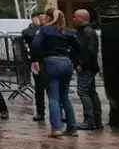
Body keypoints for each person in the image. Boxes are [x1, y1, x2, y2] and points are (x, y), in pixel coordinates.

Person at [31, 10, 79, 138]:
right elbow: (78, 47)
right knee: (65, 96)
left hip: (51, 62)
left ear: (48, 18)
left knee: (53, 97)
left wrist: (35, 60)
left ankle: (56, 128)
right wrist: (73, 61)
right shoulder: (68, 32)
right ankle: (72, 128)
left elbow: (35, 44)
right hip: (66, 62)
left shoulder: (45, 30)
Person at [73, 9, 103, 130]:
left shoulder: (87, 32)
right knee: (91, 92)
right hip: (89, 66)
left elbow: (89, 51)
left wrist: (81, 64)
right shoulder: (86, 31)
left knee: (83, 92)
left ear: (82, 18)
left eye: (75, 17)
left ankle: (90, 120)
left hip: (87, 67)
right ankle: (96, 120)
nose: (73, 19)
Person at [20, 12, 46, 122]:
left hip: (49, 60)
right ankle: (40, 111)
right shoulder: (30, 30)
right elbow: (27, 35)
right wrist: (37, 27)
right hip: (38, 62)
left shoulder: (49, 28)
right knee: (39, 89)